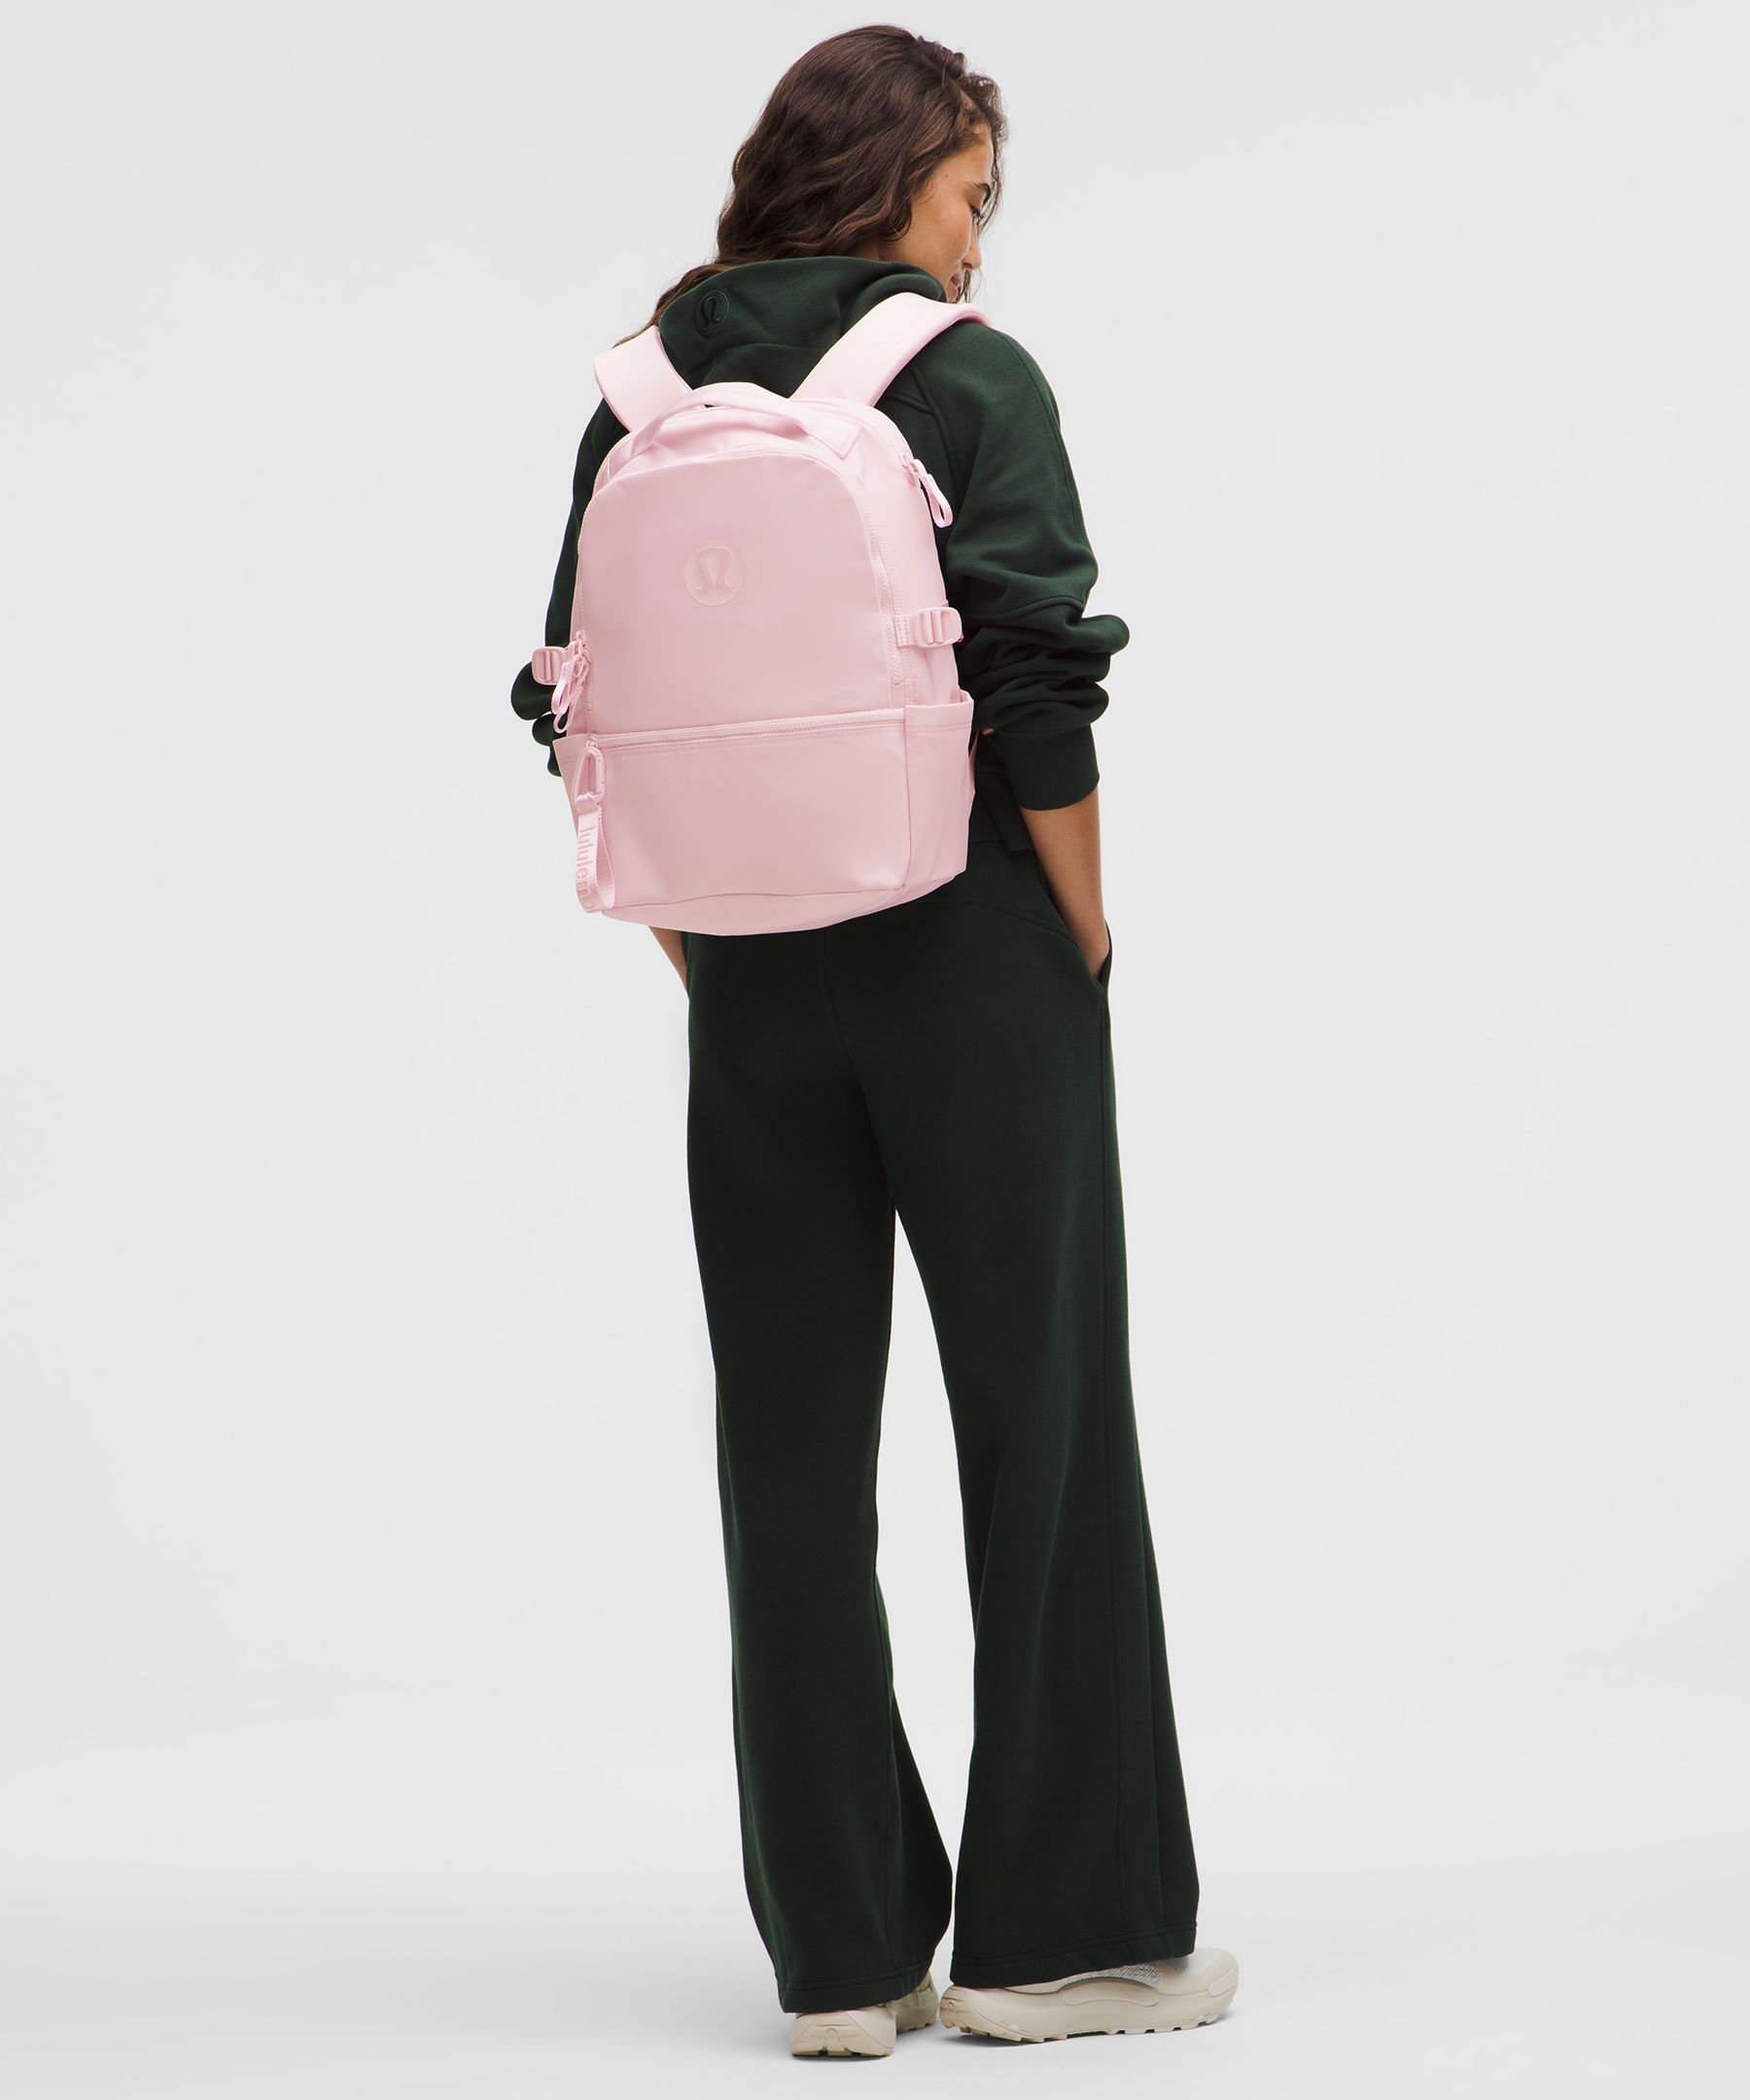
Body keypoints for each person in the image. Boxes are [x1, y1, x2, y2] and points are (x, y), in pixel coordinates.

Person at [510, 25, 1240, 2060]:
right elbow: (1039, 673)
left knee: (789, 1458)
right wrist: (1080, 930)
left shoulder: (634, 393)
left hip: (745, 970)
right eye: (971, 195)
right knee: (1046, 1431)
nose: (980, 243)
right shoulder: (963, 376)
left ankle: (839, 1958)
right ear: (897, 169)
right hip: (972, 948)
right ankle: (1063, 1939)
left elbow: (571, 698)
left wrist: (708, 955)